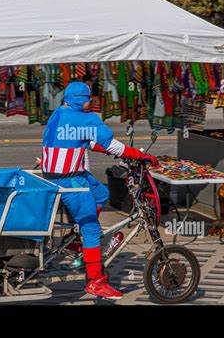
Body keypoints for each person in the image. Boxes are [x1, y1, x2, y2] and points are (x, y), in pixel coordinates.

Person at [41, 81, 158, 300]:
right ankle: (95, 281)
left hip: (56, 175)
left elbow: (80, 139)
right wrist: (140, 156)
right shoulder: (86, 119)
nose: (89, 102)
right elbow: (113, 144)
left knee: (101, 194)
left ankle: (77, 240)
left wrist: (106, 150)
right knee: (92, 228)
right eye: (87, 99)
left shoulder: (58, 114)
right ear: (81, 100)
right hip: (70, 180)